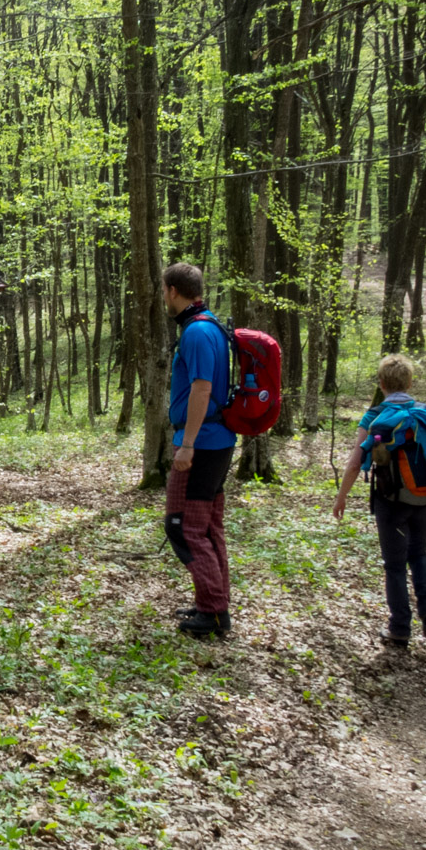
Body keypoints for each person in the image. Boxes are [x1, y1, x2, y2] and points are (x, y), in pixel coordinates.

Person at [333, 354, 426, 648]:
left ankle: (399, 627)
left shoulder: (374, 417)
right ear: (409, 382)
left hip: (391, 500)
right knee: (419, 554)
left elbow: (356, 462)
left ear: (381, 384)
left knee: (395, 565)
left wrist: (341, 495)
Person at [161, 262, 235, 639]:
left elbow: (202, 390)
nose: (164, 298)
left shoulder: (197, 331)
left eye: (164, 291)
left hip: (202, 443)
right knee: (207, 526)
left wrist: (186, 445)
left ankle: (214, 610)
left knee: (183, 527)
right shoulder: (211, 326)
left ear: (173, 290)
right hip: (215, 441)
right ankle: (213, 602)